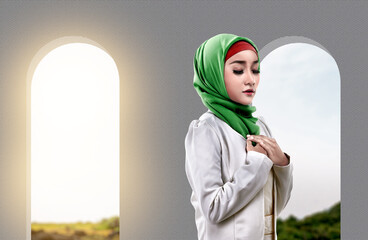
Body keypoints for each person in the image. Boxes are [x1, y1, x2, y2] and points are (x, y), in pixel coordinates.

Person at [184, 33, 293, 240]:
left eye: (255, 70)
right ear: (213, 73)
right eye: (238, 70)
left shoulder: (260, 126)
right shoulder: (206, 130)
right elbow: (213, 209)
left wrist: (282, 165)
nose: (250, 79)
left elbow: (274, 208)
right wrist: (255, 163)